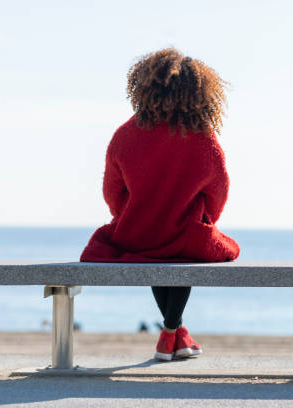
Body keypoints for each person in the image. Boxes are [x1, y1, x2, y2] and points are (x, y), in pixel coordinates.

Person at [80, 48, 240, 360]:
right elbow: (218, 192)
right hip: (185, 236)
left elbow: (112, 193)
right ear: (198, 92)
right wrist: (205, 218)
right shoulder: (201, 136)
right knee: (187, 251)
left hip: (137, 234)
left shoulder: (125, 135)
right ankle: (170, 334)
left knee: (154, 251)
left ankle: (176, 336)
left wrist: (132, 217)